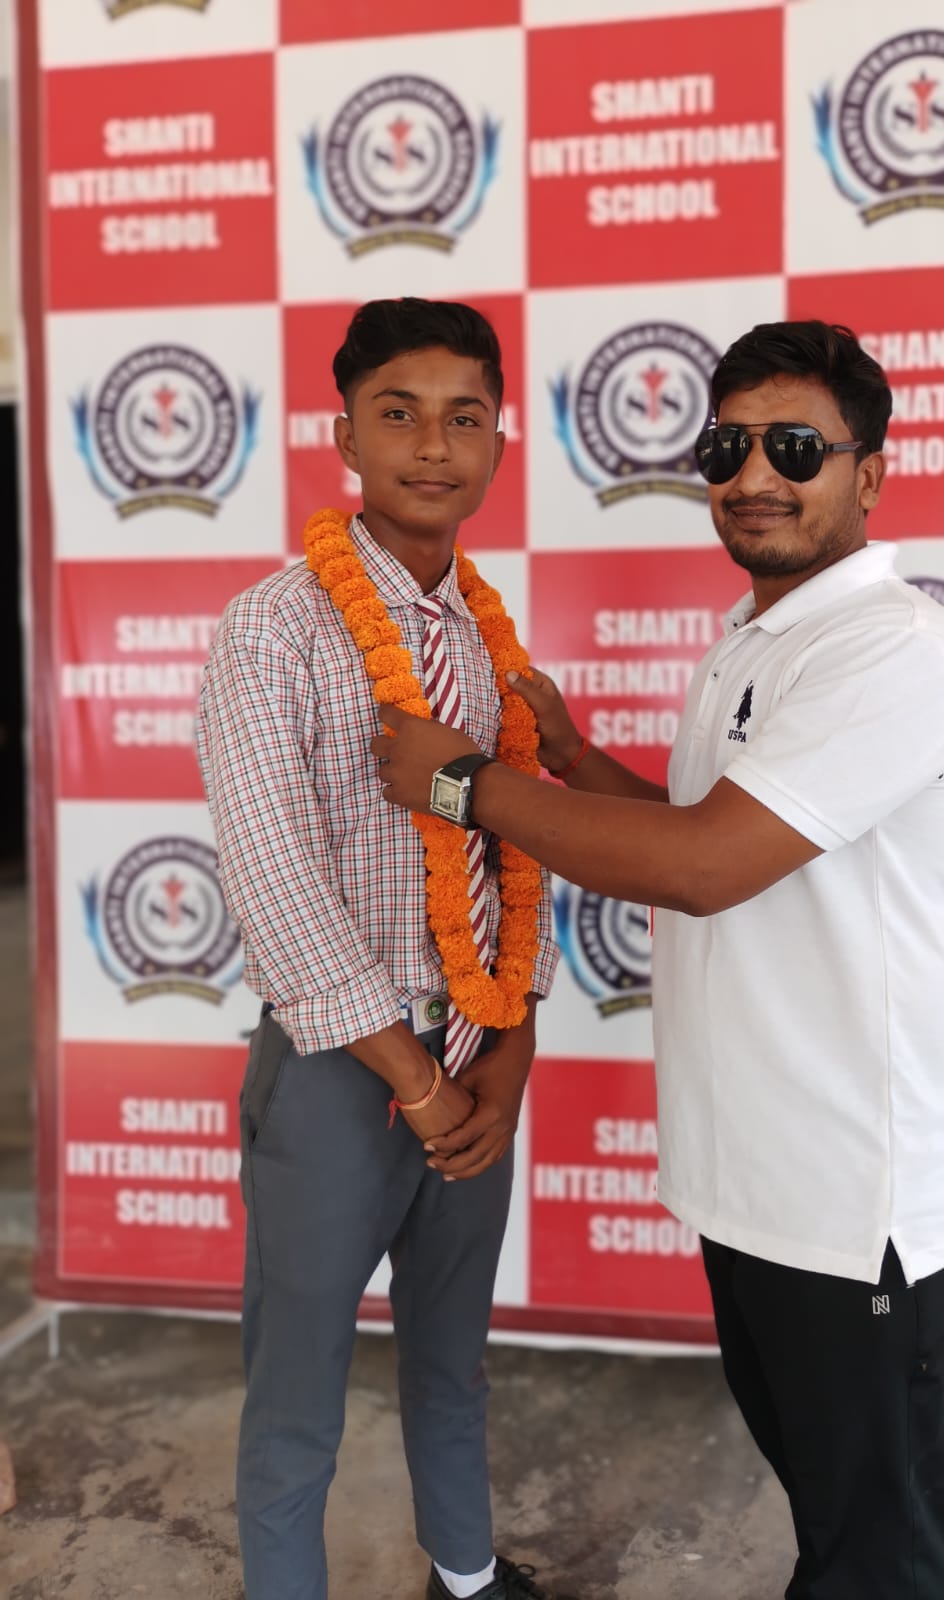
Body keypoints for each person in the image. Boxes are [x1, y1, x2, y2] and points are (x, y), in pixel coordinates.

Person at [376, 320, 944, 1600]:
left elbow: (705, 866)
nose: (754, 475)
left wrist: (461, 783)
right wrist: (571, 758)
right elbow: (706, 826)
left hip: (851, 1202)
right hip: (754, 1187)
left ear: (869, 475)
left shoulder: (893, 646)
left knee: (877, 1556)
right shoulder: (754, 638)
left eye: (795, 448)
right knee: (828, 1515)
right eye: (728, 447)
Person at [196, 298, 570, 1600]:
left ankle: (465, 1576)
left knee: (452, 1360)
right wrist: (416, 1081)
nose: (432, 445)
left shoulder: (490, 642)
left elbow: (518, 861)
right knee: (296, 1391)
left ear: (499, 447)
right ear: (345, 436)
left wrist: (509, 1056)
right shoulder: (275, 629)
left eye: (465, 417)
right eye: (398, 413)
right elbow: (275, 883)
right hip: (343, 1072)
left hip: (477, 1059)